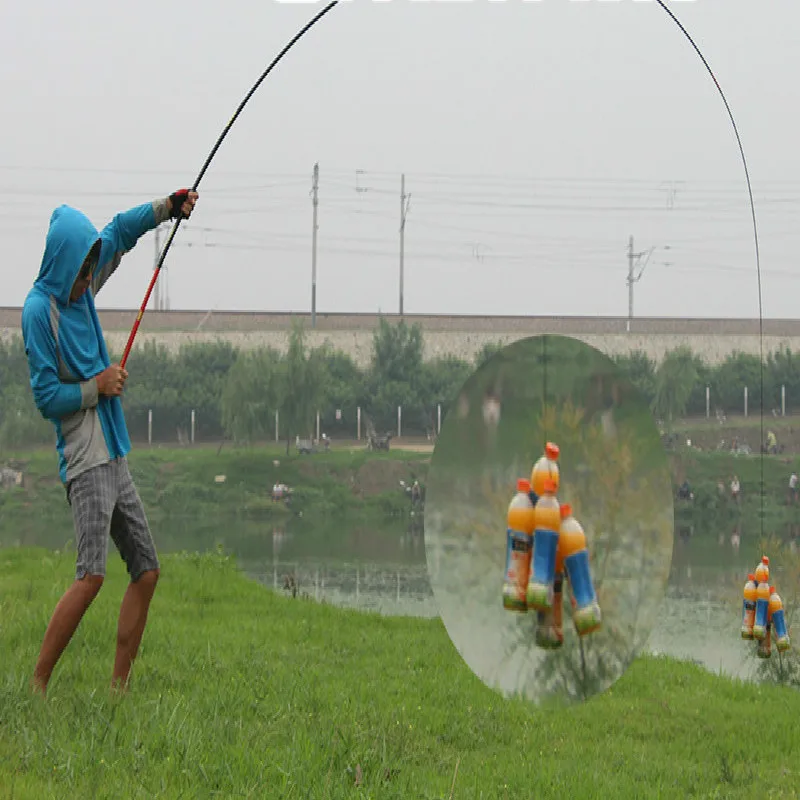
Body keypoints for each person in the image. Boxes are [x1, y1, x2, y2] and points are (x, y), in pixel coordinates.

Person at [22, 189, 199, 696]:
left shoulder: (82, 286)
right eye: (81, 273)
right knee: (91, 575)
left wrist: (167, 208)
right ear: (61, 264)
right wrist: (96, 386)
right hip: (85, 458)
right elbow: (45, 397)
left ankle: (117, 691)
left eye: (89, 273)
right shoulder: (39, 312)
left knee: (146, 571)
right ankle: (37, 685)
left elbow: (119, 230)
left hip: (115, 452)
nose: (86, 283)